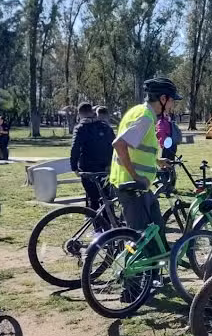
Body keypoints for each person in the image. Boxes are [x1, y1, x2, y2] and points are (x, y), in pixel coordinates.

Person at [110, 78, 181, 247]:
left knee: (156, 231)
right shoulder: (146, 117)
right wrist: (136, 176)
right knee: (141, 240)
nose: (172, 106)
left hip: (140, 187)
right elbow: (119, 144)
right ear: (163, 99)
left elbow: (135, 147)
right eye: (172, 101)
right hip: (132, 186)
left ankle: (156, 272)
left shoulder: (139, 111)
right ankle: (134, 274)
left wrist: (157, 160)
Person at [71, 102, 115, 211]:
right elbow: (114, 145)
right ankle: (110, 223)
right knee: (107, 198)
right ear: (92, 112)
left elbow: (75, 149)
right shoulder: (105, 127)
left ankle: (98, 225)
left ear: (80, 114)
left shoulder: (80, 128)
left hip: (88, 169)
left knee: (93, 199)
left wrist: (74, 167)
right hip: (106, 168)